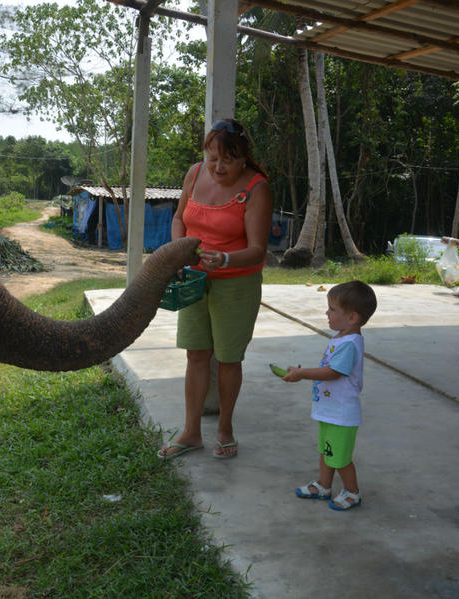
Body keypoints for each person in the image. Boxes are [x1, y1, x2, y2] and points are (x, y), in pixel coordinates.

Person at [157, 118, 272, 460]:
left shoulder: (257, 188)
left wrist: (223, 259)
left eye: (228, 160)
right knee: (195, 354)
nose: (218, 167)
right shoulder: (194, 174)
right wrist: (179, 252)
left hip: (236, 283)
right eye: (212, 158)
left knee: (227, 359)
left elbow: (258, 249)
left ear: (243, 159)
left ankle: (225, 428)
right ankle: (191, 432)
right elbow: (179, 218)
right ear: (204, 154)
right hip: (194, 279)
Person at [277, 280, 377, 511]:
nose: (327, 312)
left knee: (340, 458)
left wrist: (302, 374)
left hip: (341, 414)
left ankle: (352, 492)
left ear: (352, 318)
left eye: (332, 309)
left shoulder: (350, 344)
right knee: (327, 450)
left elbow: (333, 372)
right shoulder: (342, 338)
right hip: (330, 410)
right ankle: (324, 485)